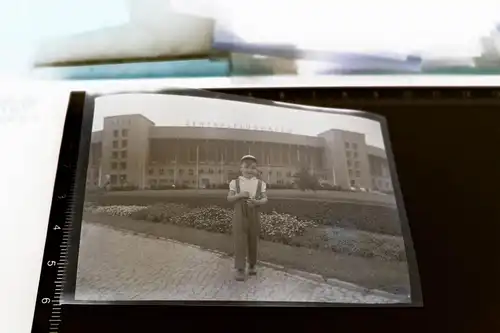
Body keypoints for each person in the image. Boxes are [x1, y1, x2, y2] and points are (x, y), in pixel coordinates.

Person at [227, 155, 268, 281]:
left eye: (253, 168)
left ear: (256, 170)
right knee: (240, 239)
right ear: (241, 168)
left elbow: (265, 199)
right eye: (246, 167)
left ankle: (252, 265)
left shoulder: (260, 183)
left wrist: (257, 202)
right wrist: (239, 195)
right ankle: (240, 268)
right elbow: (229, 198)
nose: (249, 170)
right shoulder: (235, 182)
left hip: (253, 210)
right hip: (240, 212)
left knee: (253, 238)